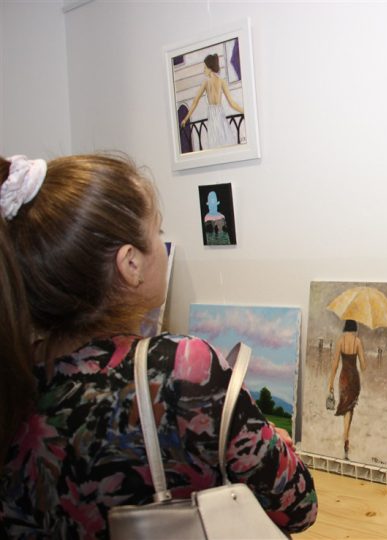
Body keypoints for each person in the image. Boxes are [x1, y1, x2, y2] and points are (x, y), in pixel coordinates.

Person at [0, 153, 317, 538]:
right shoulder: (182, 367)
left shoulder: (16, 375)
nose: (162, 243)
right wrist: (269, 448)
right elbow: (299, 508)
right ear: (130, 263)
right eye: (157, 231)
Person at [180, 53, 244, 149]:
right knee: (225, 142)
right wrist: (244, 111)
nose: (203, 70)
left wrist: (185, 119)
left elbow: (195, 101)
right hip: (220, 115)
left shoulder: (206, 82)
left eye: (205, 68)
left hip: (212, 118)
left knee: (215, 145)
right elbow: (232, 103)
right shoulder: (221, 81)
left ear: (210, 68)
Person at [327, 320, 366, 459]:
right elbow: (363, 365)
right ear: (355, 327)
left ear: (345, 327)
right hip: (354, 378)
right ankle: (346, 437)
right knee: (350, 407)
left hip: (343, 378)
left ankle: (346, 437)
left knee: (346, 407)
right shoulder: (358, 341)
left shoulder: (340, 341)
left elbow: (335, 364)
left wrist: (330, 382)